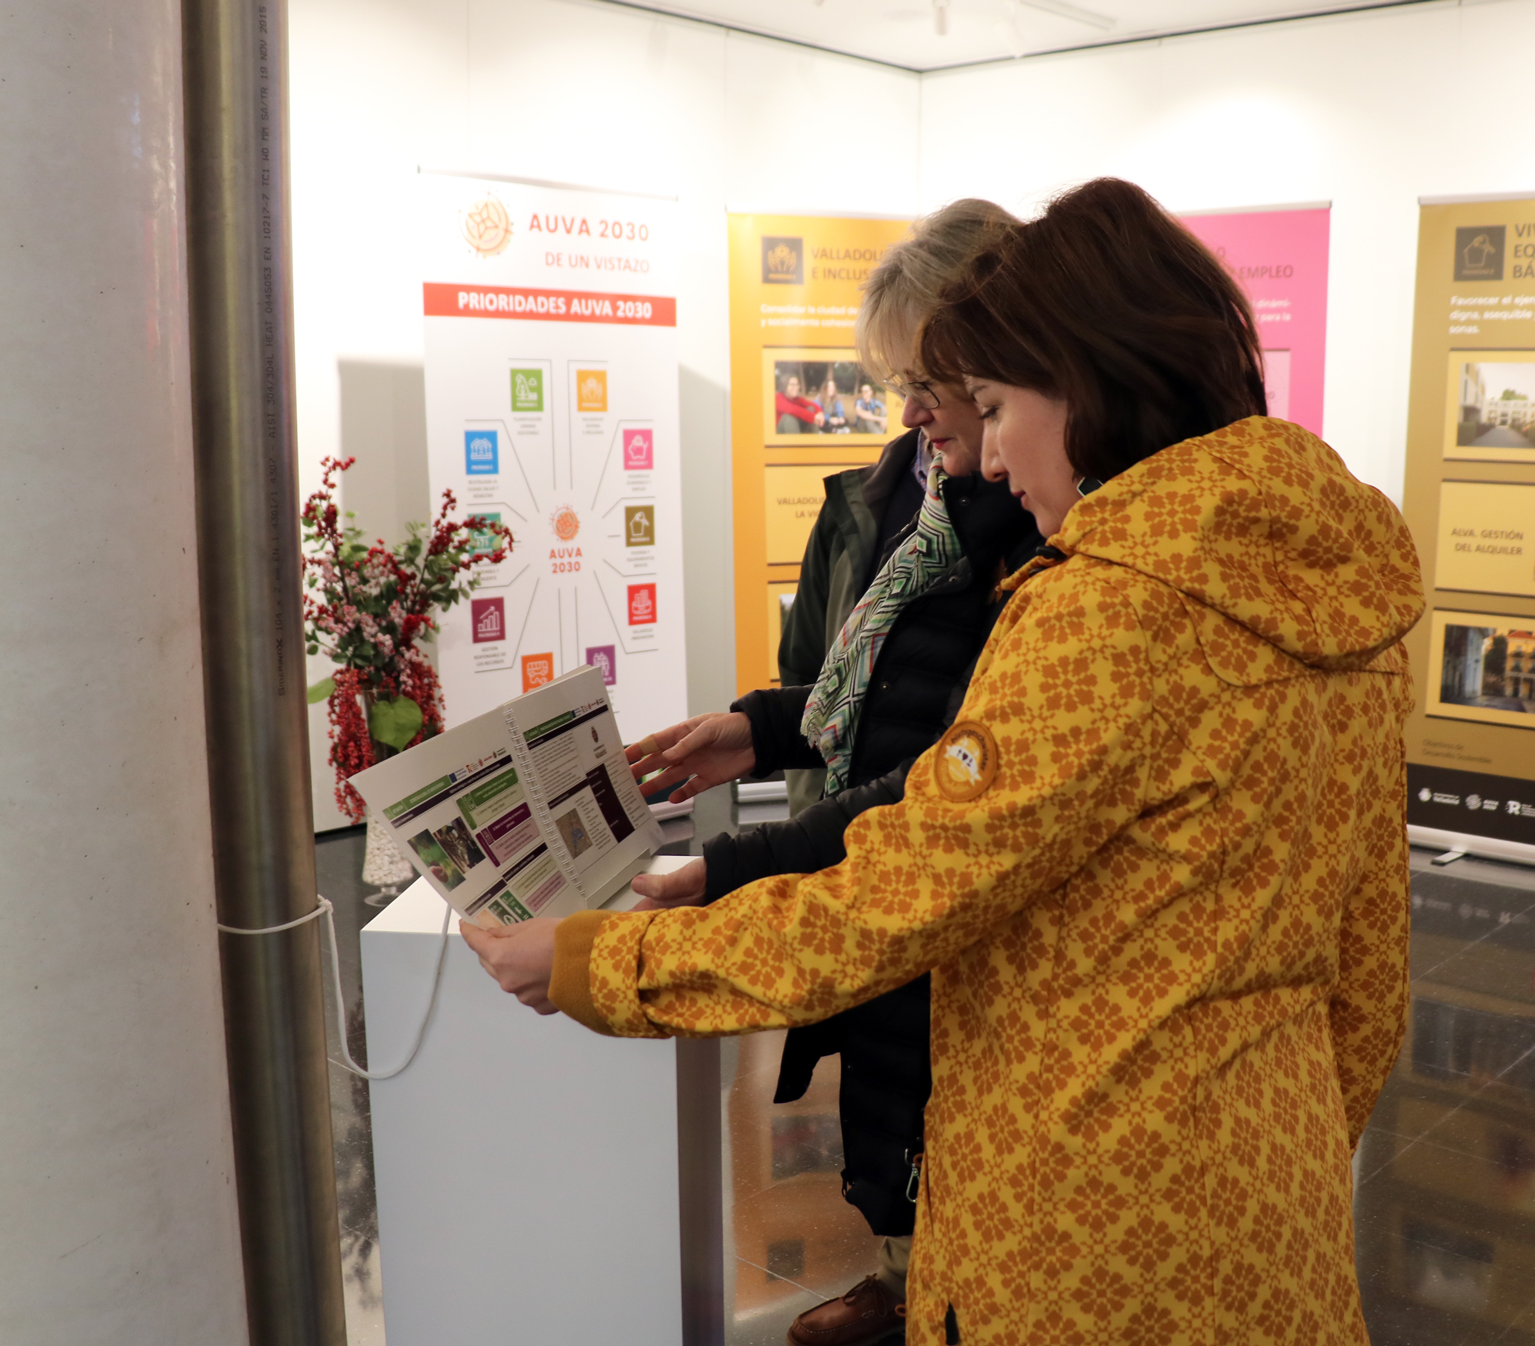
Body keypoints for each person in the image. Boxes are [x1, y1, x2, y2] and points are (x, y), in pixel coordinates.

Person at [464, 179, 1422, 1345]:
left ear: (1086, 382)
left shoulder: (1105, 611)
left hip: (1083, 1219)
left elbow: (894, 897)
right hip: (1276, 1191)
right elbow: (1370, 969)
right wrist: (1276, 1135)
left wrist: (601, 962)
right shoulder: (1336, 591)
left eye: (996, 403)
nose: (990, 451)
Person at [626, 197, 1031, 1346]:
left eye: (935, 385)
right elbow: (868, 689)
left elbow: (952, 772)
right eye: (903, 383)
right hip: (881, 858)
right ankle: (903, 1279)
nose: (911, 413)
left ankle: (941, 1295)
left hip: (948, 879)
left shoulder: (1049, 536)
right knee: (890, 1096)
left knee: (955, 1116)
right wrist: (761, 727)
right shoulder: (907, 498)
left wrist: (727, 870)